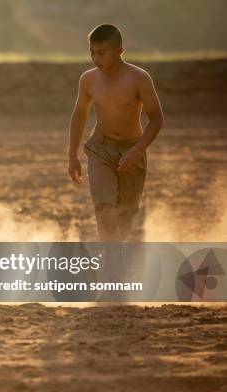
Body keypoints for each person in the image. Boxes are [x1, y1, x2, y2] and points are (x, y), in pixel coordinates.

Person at [68, 24, 163, 242]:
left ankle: (117, 256)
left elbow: (157, 118)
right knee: (103, 208)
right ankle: (113, 262)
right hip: (100, 147)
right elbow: (79, 115)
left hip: (132, 150)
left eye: (102, 53)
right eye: (92, 52)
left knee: (125, 215)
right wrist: (72, 155)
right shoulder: (88, 79)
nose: (95, 58)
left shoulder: (139, 78)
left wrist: (137, 151)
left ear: (119, 50)